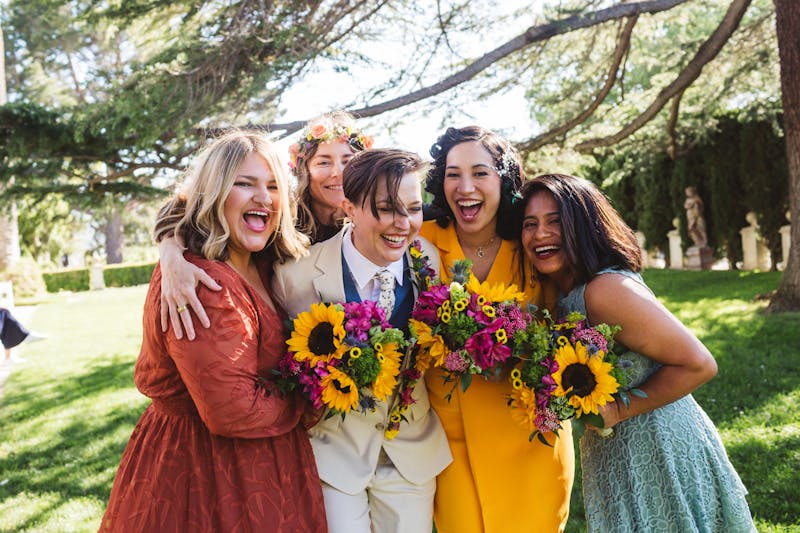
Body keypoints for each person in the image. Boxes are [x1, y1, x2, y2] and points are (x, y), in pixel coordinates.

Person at [100, 130, 327, 532]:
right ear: (215, 191)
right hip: (208, 474)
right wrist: (310, 397)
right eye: (244, 183)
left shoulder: (256, 260)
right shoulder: (200, 283)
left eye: (273, 186)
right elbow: (233, 410)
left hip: (261, 461)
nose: (264, 198)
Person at [518, 173, 756, 532]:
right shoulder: (563, 295)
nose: (540, 234)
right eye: (530, 224)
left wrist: (618, 409)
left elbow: (700, 364)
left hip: (660, 449)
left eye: (555, 222)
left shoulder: (605, 290)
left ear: (582, 226)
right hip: (616, 455)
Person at [272, 148, 451, 532]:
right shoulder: (296, 276)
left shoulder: (429, 261)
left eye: (414, 208)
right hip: (333, 454)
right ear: (349, 208)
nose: (402, 223)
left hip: (411, 453)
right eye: (386, 208)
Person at [420, 126, 574, 532]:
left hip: (530, 439)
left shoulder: (533, 241)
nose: (465, 186)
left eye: (480, 173)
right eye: (453, 174)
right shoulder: (418, 238)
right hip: (449, 442)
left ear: (503, 181)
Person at [154, 111, 373, 340]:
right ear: (304, 169)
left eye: (348, 161)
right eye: (323, 162)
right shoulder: (285, 216)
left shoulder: (367, 222)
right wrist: (170, 256)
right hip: (272, 328)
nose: (337, 172)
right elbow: (184, 205)